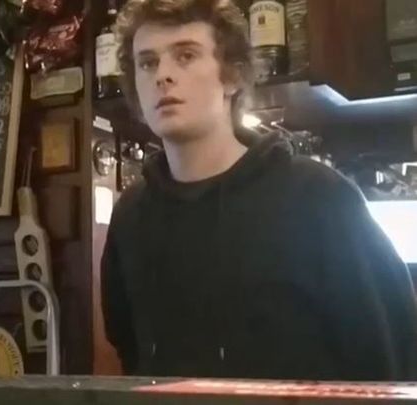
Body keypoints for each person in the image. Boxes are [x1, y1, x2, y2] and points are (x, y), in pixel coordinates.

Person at [101, 0, 417, 380]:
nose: (163, 75)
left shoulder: (318, 198)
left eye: (185, 55)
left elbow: (391, 351)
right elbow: (130, 347)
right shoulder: (132, 214)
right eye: (148, 62)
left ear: (232, 76)